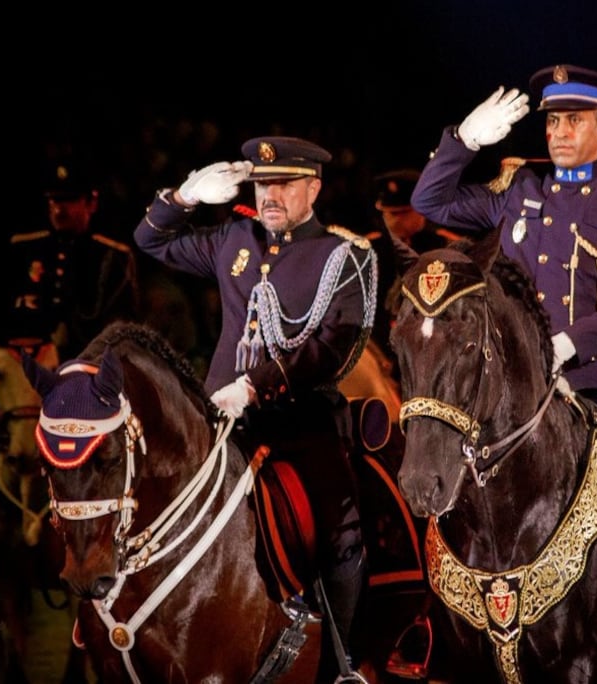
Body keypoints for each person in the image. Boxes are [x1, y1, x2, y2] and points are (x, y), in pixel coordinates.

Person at [411, 64, 597, 682]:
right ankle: (437, 626)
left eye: (574, 120)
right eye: (552, 120)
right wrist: (463, 141)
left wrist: (570, 344)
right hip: (521, 390)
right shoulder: (519, 188)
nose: (559, 132)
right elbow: (427, 203)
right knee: (448, 479)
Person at [133, 136, 376, 681]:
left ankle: (344, 666)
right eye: (263, 184)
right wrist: (185, 195)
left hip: (298, 420)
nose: (270, 195)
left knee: (343, 534)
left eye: (285, 184)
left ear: (313, 187)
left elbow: (332, 344)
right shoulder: (233, 237)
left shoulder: (344, 256)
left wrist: (256, 386)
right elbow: (149, 239)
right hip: (221, 423)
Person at [0, 156, 141, 357]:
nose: (59, 210)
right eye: (54, 200)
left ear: (91, 203)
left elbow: (122, 322)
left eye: (70, 201)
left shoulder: (112, 257)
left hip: (86, 363)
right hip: (24, 361)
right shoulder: (23, 248)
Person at [364, 168, 463, 379]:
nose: (394, 221)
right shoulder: (366, 250)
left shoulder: (447, 249)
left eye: (402, 214)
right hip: (379, 353)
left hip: (434, 358)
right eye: (389, 214)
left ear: (421, 211)